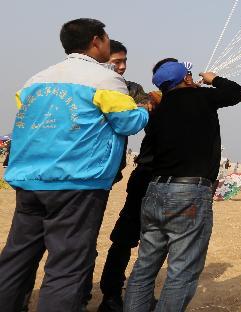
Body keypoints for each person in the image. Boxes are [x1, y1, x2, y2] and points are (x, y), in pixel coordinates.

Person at [0, 19, 148, 311]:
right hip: (76, 183)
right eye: (107, 38)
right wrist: (143, 109)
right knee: (67, 265)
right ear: (96, 41)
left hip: (29, 181)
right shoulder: (104, 79)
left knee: (18, 258)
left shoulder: (36, 80)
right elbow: (128, 122)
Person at [124, 61, 241, 311]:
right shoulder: (201, 96)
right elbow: (238, 93)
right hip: (188, 193)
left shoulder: (158, 108)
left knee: (145, 266)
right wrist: (214, 79)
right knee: (182, 270)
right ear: (187, 79)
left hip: (156, 190)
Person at [96, 57, 171, 312]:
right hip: (150, 175)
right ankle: (113, 293)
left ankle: (123, 295)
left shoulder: (171, 102)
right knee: (131, 237)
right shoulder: (154, 101)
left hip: (152, 175)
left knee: (142, 240)